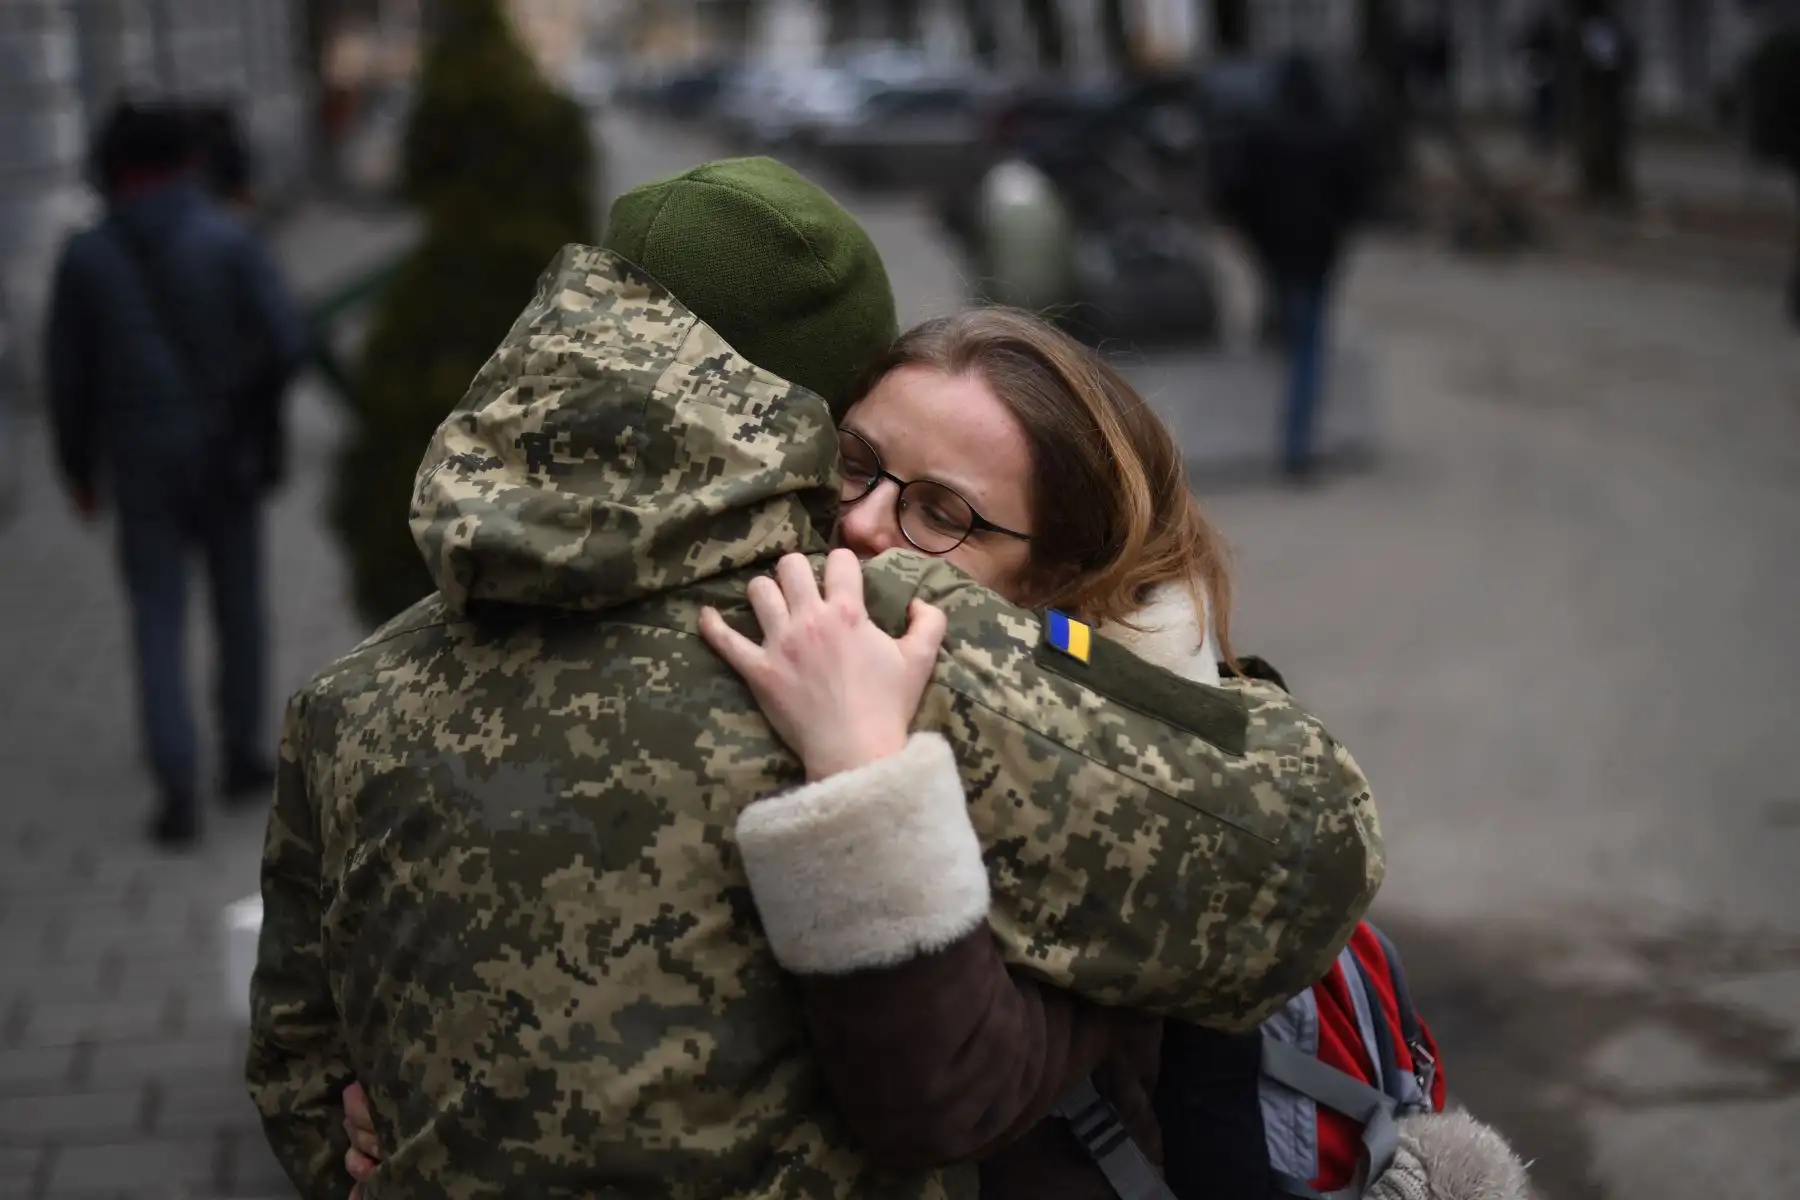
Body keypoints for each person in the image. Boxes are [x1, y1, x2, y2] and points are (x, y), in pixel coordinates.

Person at [249, 158, 1381, 1198]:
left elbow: (296, 1063)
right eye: (852, 464)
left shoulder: (351, 696)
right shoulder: (862, 640)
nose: (866, 524)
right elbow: (1312, 840)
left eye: (942, 511)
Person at [46, 101, 305, 847]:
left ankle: (176, 787)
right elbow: (289, 341)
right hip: (226, 456)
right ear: (187, 162)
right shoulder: (227, 236)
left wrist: (78, 473)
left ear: (116, 169)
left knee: (157, 618)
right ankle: (243, 758)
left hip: (140, 465)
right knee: (241, 608)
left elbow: (69, 382)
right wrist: (251, 417)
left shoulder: (86, 255)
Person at [1226, 54, 1369, 481]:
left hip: (1275, 252)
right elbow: (1355, 197)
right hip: (1317, 254)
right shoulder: (1334, 134)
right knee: (1307, 348)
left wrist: (1257, 243)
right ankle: (1297, 448)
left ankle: (1290, 441)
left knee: (1290, 335)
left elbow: (1237, 193)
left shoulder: (1261, 133)